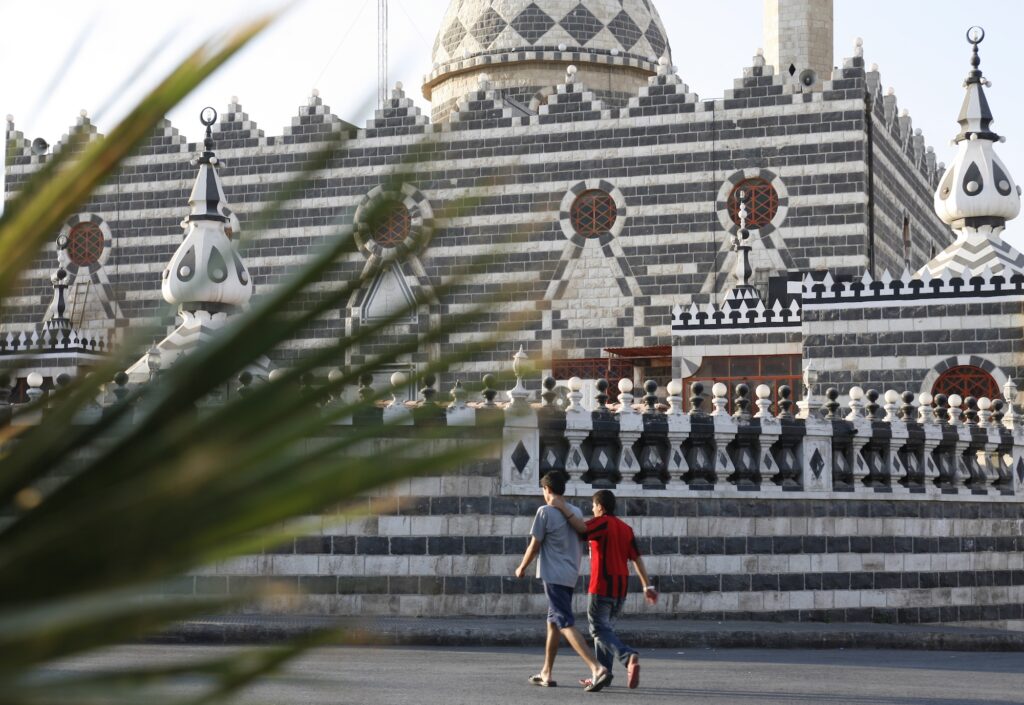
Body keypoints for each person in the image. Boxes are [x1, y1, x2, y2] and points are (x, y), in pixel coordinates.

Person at [514, 472, 612, 692]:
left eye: (543, 490)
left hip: (553, 576)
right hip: (569, 575)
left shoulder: (544, 512)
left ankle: (597, 668)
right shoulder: (574, 512)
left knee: (565, 623)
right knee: (553, 623)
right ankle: (546, 672)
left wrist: (521, 567)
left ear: (547, 490)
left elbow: (534, 545)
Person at [578, 489, 657, 690]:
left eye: (593, 506)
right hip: (620, 589)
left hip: (601, 585)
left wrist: (564, 512)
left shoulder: (601, 523)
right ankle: (603, 673)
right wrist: (647, 585)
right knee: (605, 630)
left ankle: (627, 656)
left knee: (597, 628)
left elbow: (579, 530)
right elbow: (637, 558)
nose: (592, 509)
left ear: (601, 507)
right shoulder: (626, 529)